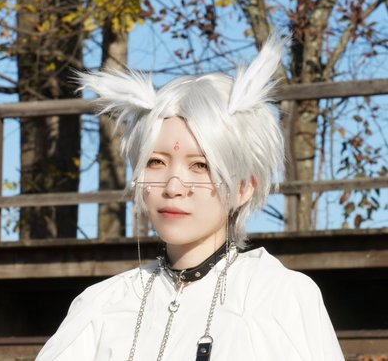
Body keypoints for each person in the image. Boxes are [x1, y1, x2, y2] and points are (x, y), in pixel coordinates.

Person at [35, 35, 344, 361]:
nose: (173, 186)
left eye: (200, 166)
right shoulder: (102, 306)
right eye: (156, 162)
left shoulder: (279, 297)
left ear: (244, 187)